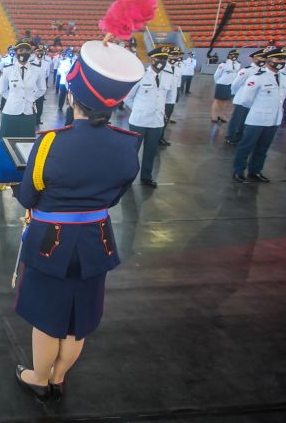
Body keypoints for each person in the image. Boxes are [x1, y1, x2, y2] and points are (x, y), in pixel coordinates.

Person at [12, 38, 143, 402]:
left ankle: (38, 378)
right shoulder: (129, 143)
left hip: (50, 241)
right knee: (77, 320)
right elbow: (116, 195)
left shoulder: (51, 141)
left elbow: (28, 195)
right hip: (97, 239)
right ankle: (58, 376)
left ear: (72, 97)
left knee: (46, 316)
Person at [232, 47, 286, 182]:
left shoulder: (282, 77)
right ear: (269, 60)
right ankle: (239, 171)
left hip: (274, 120)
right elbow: (246, 100)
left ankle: (255, 171)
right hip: (257, 119)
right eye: (278, 59)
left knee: (263, 148)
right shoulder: (258, 78)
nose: (281, 61)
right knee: (246, 146)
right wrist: (259, 109)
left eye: (283, 59)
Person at [124, 46, 175, 188]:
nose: (162, 61)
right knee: (132, 151)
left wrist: (163, 111)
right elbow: (127, 97)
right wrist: (138, 109)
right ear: (152, 59)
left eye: (164, 59)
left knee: (151, 150)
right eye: (159, 58)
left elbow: (170, 97)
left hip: (156, 122)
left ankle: (146, 176)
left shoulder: (169, 76)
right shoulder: (140, 76)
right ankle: (127, 177)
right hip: (138, 120)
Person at [0, 40, 45, 138]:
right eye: (20, 50)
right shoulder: (8, 69)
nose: (24, 53)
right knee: (6, 140)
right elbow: (2, 90)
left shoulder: (37, 70)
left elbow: (42, 89)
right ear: (16, 53)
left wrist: (31, 98)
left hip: (29, 111)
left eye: (27, 50)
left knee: (26, 141)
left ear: (30, 53)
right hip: (11, 110)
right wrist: (13, 98)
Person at [225, 48, 267, 145]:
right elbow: (235, 85)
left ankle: (241, 137)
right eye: (260, 57)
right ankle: (231, 137)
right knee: (237, 120)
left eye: (264, 58)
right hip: (242, 100)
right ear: (253, 58)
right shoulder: (246, 70)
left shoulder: (265, 71)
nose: (262, 60)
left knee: (247, 121)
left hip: (255, 101)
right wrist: (238, 95)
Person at [211, 49, 240, 123]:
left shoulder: (238, 64)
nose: (235, 56)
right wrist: (218, 83)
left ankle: (222, 116)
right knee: (217, 100)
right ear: (229, 55)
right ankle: (214, 117)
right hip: (222, 84)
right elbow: (216, 75)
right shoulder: (223, 64)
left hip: (230, 85)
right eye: (233, 55)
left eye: (236, 55)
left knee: (225, 101)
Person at [33, 46, 52, 125]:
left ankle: (38, 119)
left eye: (41, 52)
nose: (39, 53)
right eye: (38, 52)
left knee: (40, 105)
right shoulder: (31, 63)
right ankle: (32, 119)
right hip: (33, 86)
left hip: (41, 86)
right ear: (35, 53)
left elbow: (47, 74)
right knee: (33, 104)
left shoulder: (46, 63)